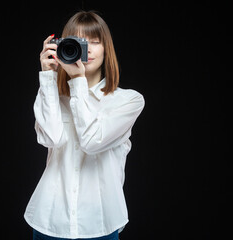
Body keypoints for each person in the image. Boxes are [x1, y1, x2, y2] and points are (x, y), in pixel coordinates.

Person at [24, 10, 145, 240]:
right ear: (62, 47)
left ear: (106, 49)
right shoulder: (53, 97)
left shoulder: (128, 100)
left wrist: (78, 81)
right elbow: (51, 139)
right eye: (78, 42)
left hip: (100, 222)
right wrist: (48, 78)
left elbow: (91, 141)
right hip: (49, 219)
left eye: (94, 42)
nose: (86, 49)